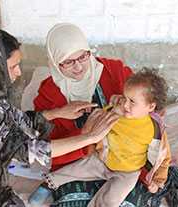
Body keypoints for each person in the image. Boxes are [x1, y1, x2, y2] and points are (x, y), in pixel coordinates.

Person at [0, 29, 119, 207]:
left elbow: (7, 121)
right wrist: (89, 137)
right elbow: (27, 151)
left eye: (83, 56)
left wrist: (56, 113)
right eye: (13, 66)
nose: (18, 73)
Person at [30, 68, 171, 207]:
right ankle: (48, 185)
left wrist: (158, 181)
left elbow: (163, 158)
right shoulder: (117, 113)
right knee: (73, 170)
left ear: (151, 106)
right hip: (102, 160)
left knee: (111, 201)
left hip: (128, 172)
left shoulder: (155, 131)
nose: (126, 104)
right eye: (125, 98)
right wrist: (113, 107)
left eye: (132, 101)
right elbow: (98, 120)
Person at [33, 23, 133, 206]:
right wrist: (84, 136)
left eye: (83, 56)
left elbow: (146, 103)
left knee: (125, 198)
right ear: (55, 62)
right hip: (76, 164)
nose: (78, 67)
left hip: (123, 157)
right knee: (72, 201)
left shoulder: (115, 71)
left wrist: (127, 105)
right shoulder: (47, 95)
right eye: (68, 62)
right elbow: (47, 150)